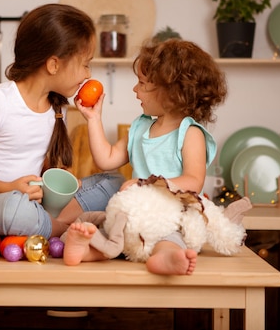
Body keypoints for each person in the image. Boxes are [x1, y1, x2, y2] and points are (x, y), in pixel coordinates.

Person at [0, 3, 124, 239]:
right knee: (14, 209)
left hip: (28, 203)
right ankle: (63, 229)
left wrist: (59, 183)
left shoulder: (55, 108)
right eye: (85, 64)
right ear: (53, 64)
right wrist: (9, 189)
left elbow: (35, 167)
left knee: (114, 182)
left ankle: (50, 224)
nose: (88, 74)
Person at [64, 38, 228, 275]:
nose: (135, 89)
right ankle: (87, 250)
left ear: (172, 93)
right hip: (137, 214)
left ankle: (166, 257)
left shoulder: (190, 134)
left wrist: (146, 184)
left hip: (171, 213)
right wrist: (93, 119)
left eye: (141, 83)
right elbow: (106, 159)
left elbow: (193, 181)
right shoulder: (140, 128)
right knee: (108, 230)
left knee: (170, 237)